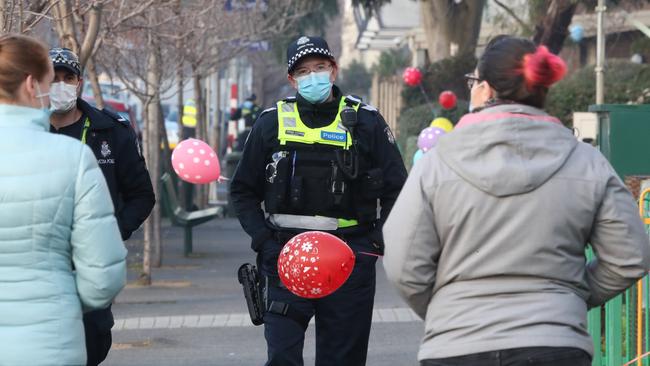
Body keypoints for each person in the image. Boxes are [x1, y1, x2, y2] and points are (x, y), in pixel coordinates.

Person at [382, 35, 650, 366]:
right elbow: (630, 255)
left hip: (456, 344)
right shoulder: (587, 163)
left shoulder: (438, 163)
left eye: (473, 81)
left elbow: (403, 263)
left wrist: (445, 308)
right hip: (555, 344)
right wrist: (570, 296)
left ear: (487, 89)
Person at [230, 35, 407, 366]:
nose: (313, 76)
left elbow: (399, 189)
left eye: (321, 67)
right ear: (291, 79)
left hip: (349, 258)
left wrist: (374, 243)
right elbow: (242, 190)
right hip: (283, 257)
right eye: (304, 71)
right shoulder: (271, 122)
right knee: (282, 357)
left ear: (334, 70)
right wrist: (264, 243)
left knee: (342, 359)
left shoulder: (365, 121)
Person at [0, 34, 127, 366]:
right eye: (47, 80)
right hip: (49, 342)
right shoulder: (72, 158)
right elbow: (103, 279)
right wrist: (61, 298)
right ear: (31, 85)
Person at [48, 47, 155, 365]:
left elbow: (141, 196)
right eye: (52, 78)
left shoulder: (111, 131)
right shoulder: (21, 132)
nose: (61, 84)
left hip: (89, 260)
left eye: (68, 77)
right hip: (39, 259)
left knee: (93, 340)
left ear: (79, 82)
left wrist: (110, 233)